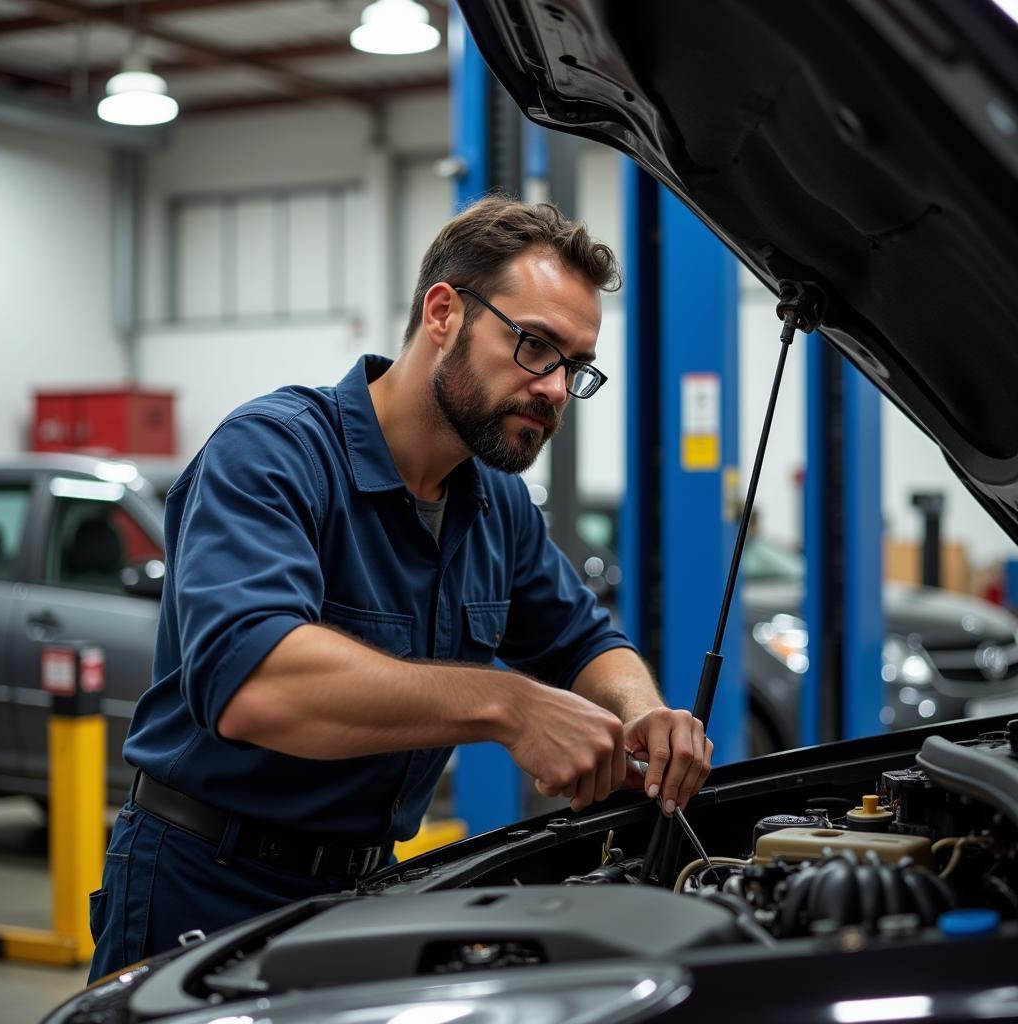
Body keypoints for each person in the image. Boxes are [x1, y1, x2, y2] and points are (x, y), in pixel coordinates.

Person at [88, 196, 713, 980]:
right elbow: (258, 686)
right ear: (444, 312)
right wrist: (510, 706)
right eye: (535, 347)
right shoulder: (273, 455)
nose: (555, 389)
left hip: (366, 891)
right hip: (206, 888)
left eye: (576, 367)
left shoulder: (496, 503)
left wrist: (641, 711)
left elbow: (584, 638)